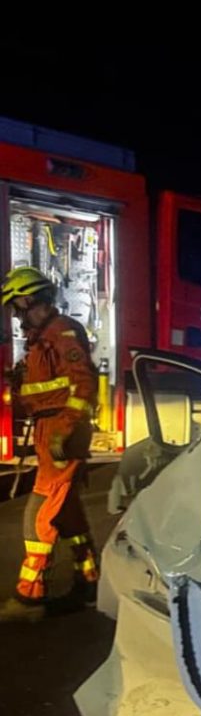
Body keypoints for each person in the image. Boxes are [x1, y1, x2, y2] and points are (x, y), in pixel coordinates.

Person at [0, 266, 100, 624]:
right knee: (67, 512)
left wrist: (65, 431)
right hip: (50, 430)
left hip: (61, 433)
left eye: (17, 308)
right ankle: (89, 581)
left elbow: (84, 385)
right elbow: (46, 388)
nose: (16, 316)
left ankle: (31, 597)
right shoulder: (43, 339)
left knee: (40, 516)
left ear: (30, 300)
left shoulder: (62, 332)